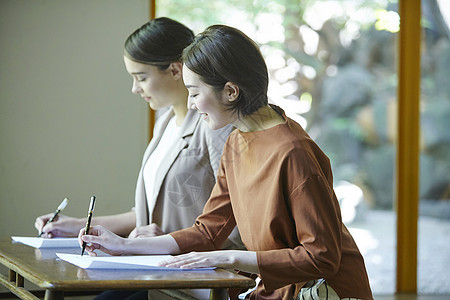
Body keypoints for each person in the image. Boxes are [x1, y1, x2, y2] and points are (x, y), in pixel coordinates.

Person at [78, 25, 373, 300]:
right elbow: (207, 231)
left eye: (194, 93)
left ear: (231, 92)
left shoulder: (293, 152)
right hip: (278, 289)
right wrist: (122, 245)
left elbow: (321, 257)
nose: (191, 104)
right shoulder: (236, 140)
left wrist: (228, 257)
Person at [35, 18, 242, 300]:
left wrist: (162, 242)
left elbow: (238, 220)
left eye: (141, 77)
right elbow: (151, 212)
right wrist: (78, 225)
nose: (135, 88)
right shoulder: (165, 121)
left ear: (175, 70)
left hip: (195, 276)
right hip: (154, 269)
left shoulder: (215, 127)